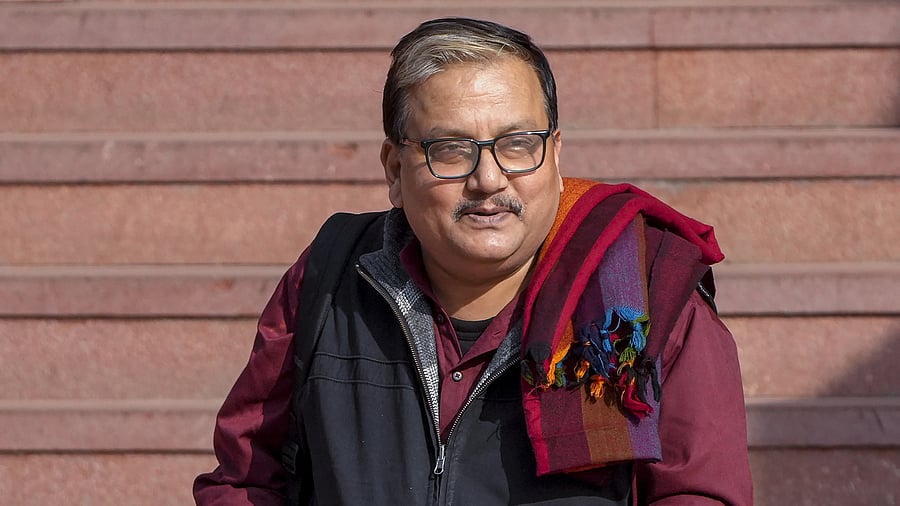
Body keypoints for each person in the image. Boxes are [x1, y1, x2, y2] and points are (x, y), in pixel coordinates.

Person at [194, 17, 753, 505]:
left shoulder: (645, 295)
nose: (489, 180)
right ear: (393, 168)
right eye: (451, 150)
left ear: (555, 153)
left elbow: (699, 494)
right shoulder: (331, 277)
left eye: (517, 144)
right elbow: (246, 481)